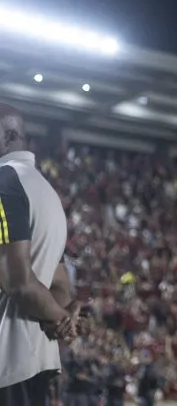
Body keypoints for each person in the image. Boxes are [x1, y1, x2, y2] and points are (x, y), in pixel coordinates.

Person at [0, 103, 82, 405]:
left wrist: (62, 319)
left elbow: (18, 283)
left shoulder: (4, 183)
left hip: (6, 361)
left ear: (9, 136)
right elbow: (59, 283)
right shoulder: (46, 191)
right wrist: (62, 317)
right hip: (38, 360)